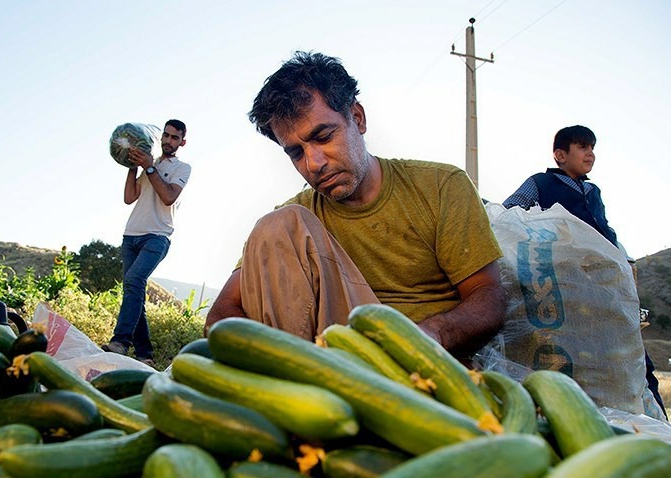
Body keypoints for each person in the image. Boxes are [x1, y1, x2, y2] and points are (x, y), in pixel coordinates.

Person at [205, 52, 506, 357]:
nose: (314, 163)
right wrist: (266, 358)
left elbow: (488, 295)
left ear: (357, 118)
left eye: (324, 137)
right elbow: (220, 315)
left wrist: (432, 335)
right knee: (277, 225)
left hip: (425, 361)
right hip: (332, 362)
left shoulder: (441, 186)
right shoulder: (293, 226)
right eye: (296, 153)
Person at [503, 124, 666, 417]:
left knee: (631, 353)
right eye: (582, 147)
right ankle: (566, 411)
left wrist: (622, 258)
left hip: (601, 280)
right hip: (565, 279)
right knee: (572, 347)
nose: (590, 153)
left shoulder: (593, 190)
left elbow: (604, 231)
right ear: (560, 155)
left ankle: (653, 419)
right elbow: (510, 211)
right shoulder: (540, 183)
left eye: (592, 148)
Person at [102, 119, 191, 367]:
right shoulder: (146, 165)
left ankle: (120, 342)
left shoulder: (182, 168)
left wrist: (150, 168)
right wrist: (132, 166)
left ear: (182, 142)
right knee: (134, 290)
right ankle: (144, 353)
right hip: (131, 235)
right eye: (166, 135)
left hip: (157, 237)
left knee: (133, 280)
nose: (168, 140)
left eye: (175, 137)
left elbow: (168, 197)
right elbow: (129, 198)